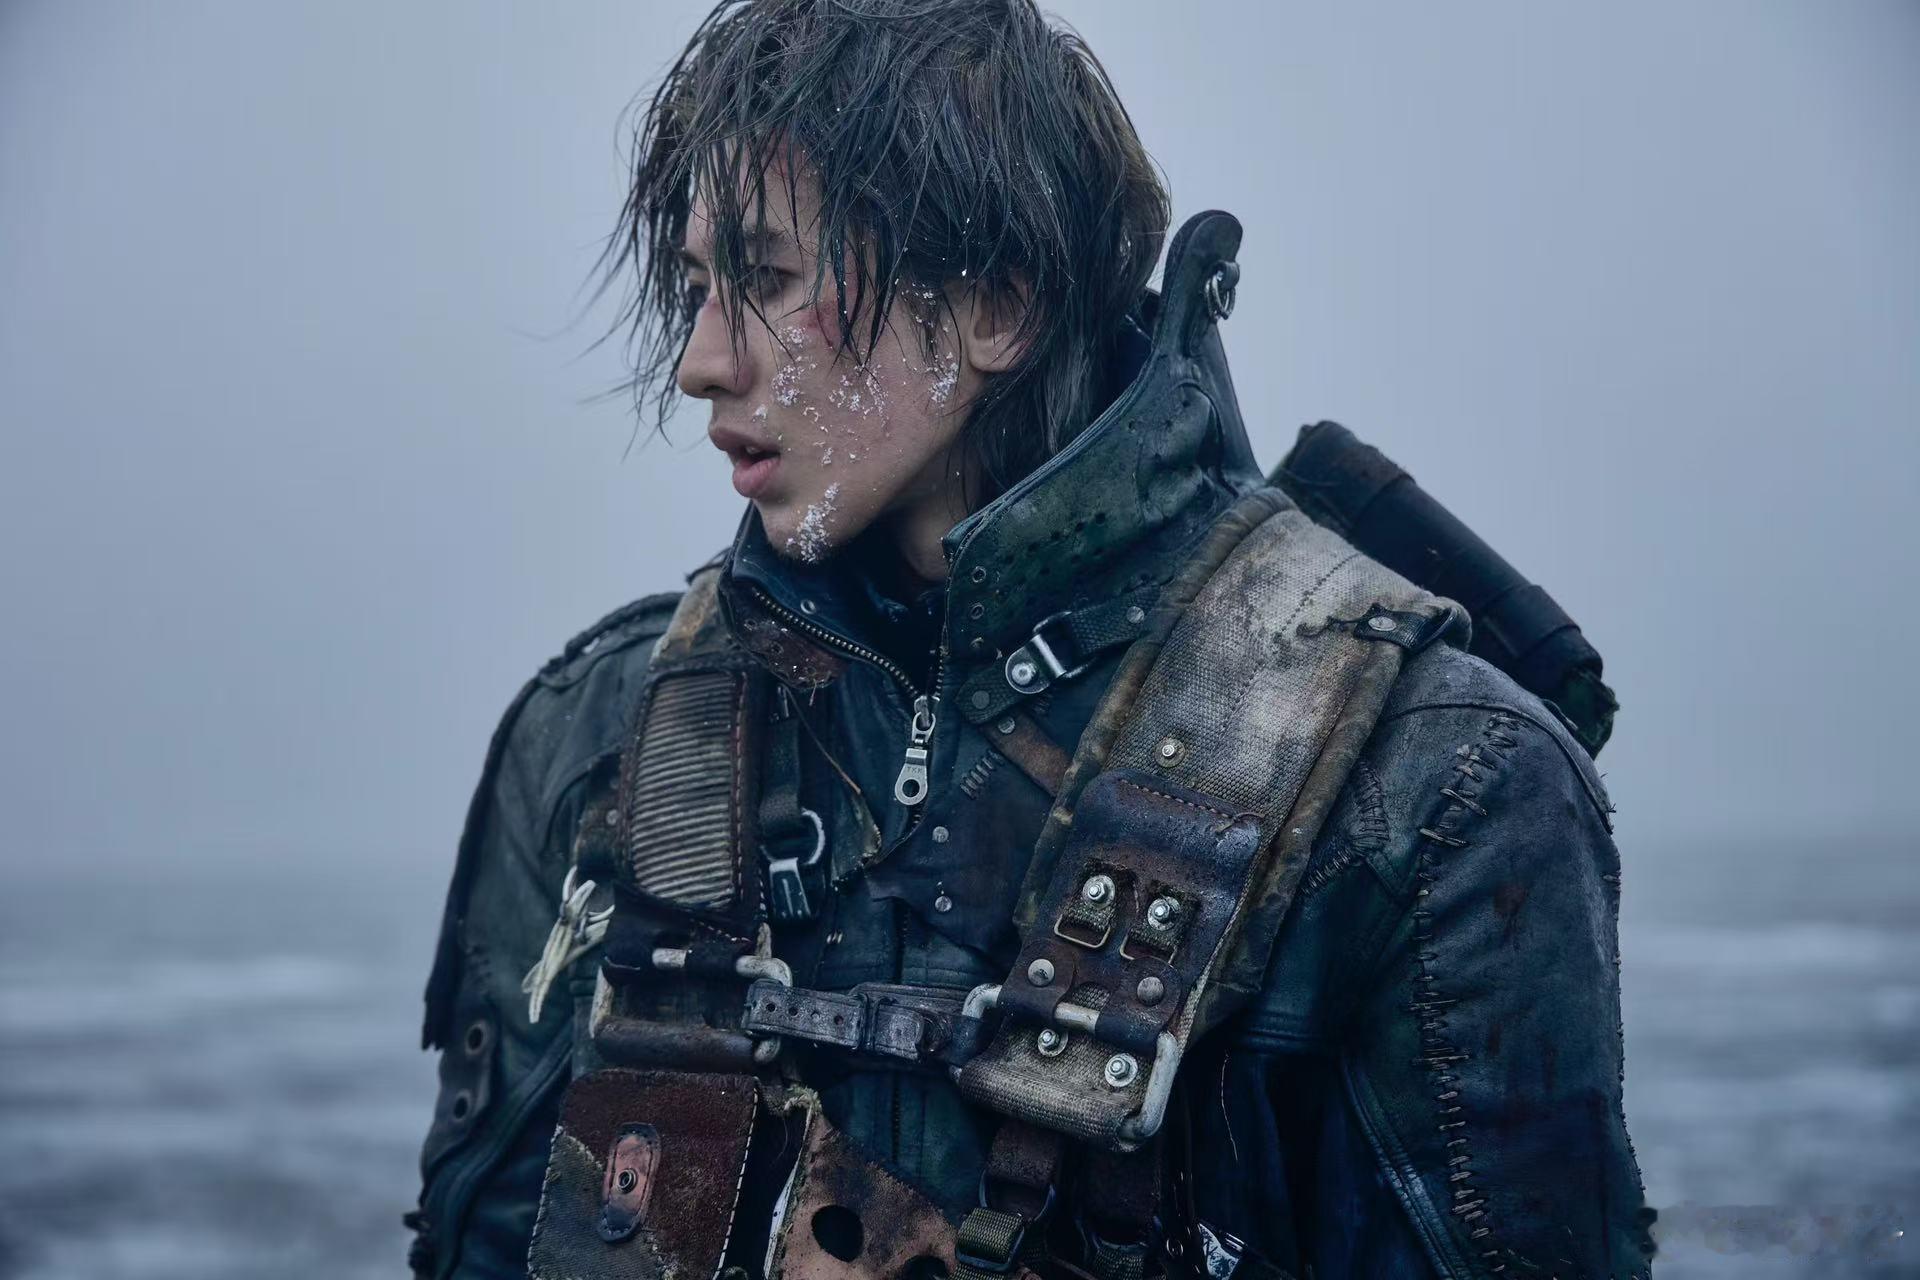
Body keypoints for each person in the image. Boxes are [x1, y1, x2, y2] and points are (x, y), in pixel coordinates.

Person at [410, 2, 1656, 1277]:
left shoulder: (1434, 788)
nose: (700, 360)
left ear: (996, 305)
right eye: (694, 288)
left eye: (767, 279)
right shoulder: (603, 736)